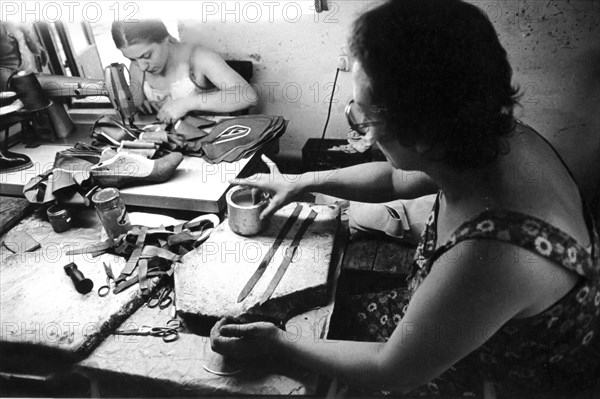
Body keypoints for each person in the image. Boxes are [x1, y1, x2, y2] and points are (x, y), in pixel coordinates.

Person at [210, 0, 600, 396]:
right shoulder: (492, 136)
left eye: (362, 116)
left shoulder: (492, 255)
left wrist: (278, 342)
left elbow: (392, 369)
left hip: (494, 379)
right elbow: (397, 180)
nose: (361, 130)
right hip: (457, 328)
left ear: (421, 136)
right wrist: (302, 181)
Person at [111, 20, 257, 124]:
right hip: (174, 145)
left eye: (147, 55)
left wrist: (187, 103)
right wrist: (146, 108)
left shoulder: (200, 57)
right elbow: (135, 111)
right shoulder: (138, 68)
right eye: (132, 59)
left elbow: (248, 96)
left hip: (213, 142)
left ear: (165, 39)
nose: (142, 66)